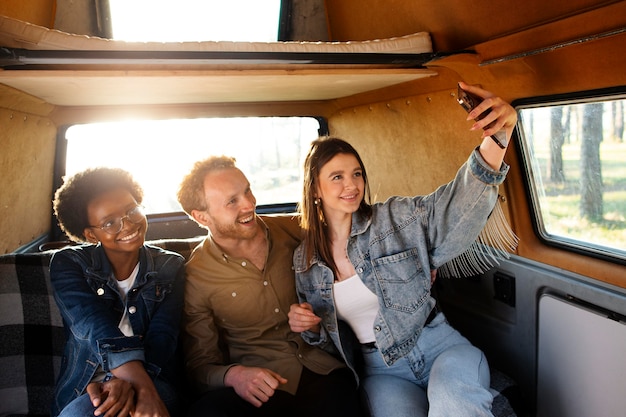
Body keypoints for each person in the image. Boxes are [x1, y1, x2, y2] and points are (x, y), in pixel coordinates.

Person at [288, 82, 518, 417]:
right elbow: (327, 342)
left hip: (442, 348)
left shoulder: (394, 219)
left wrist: (499, 134)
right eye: (336, 177)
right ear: (315, 190)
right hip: (381, 371)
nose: (351, 184)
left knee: (452, 404)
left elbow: (456, 206)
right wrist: (309, 329)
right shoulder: (304, 262)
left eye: (356, 173)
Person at [177, 156, 362, 417]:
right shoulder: (196, 275)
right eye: (232, 201)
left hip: (322, 368)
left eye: (247, 191)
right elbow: (199, 365)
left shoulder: (297, 230)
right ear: (201, 216)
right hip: (258, 385)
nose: (250, 204)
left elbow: (359, 241)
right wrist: (234, 376)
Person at [50, 167, 185, 417]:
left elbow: (163, 336)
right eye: (110, 222)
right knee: (91, 410)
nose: (129, 224)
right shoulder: (68, 264)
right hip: (86, 385)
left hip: (154, 377)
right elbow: (92, 324)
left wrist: (139, 385)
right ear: (90, 234)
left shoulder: (170, 266)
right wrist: (126, 382)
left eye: (131, 210)